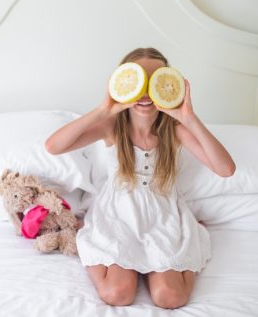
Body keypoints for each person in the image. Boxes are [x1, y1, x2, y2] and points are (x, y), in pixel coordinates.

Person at [45, 47, 235, 309]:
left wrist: (188, 117)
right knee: (118, 293)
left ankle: (194, 238)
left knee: (170, 297)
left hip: (163, 216)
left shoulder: (175, 130)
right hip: (117, 215)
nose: (145, 92)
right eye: (138, 80)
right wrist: (104, 109)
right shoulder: (113, 127)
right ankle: (90, 243)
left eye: (155, 81)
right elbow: (54, 146)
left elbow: (225, 169)